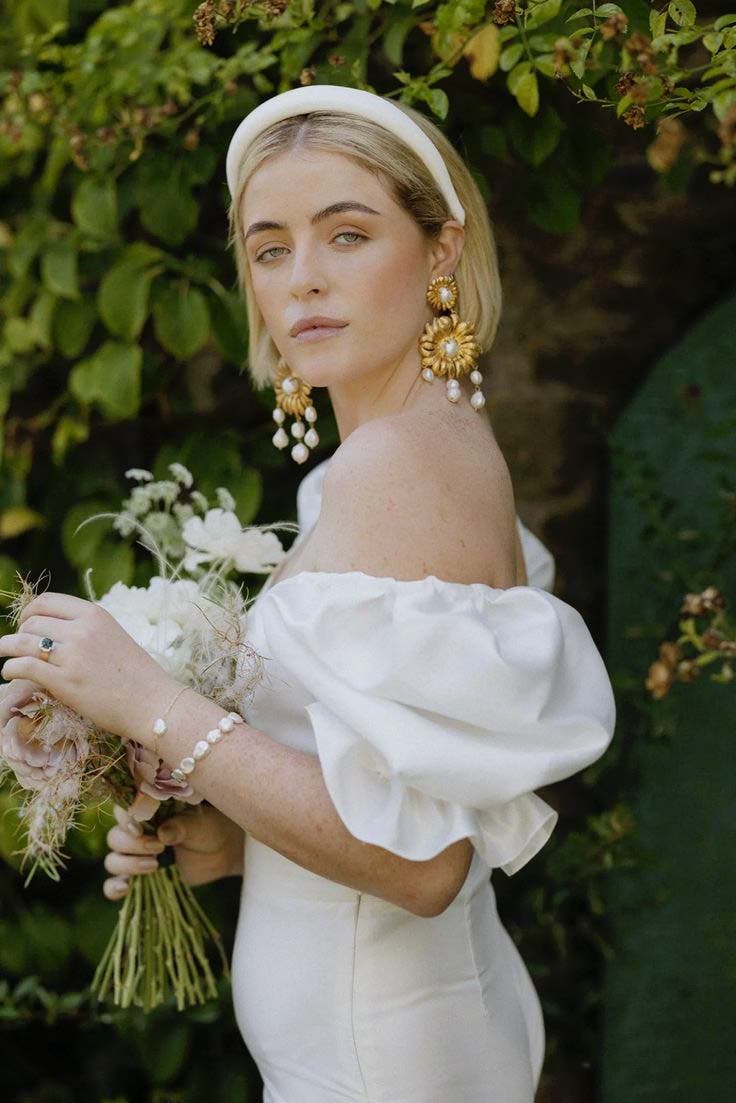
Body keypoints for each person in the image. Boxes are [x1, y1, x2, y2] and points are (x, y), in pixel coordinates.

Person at [13, 85, 616, 1102]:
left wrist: (146, 699)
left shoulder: (398, 464)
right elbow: (383, 797)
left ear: (438, 252)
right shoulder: (378, 466)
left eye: (346, 234)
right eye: (270, 248)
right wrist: (221, 832)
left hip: (385, 1055)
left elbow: (422, 865)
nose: (303, 281)